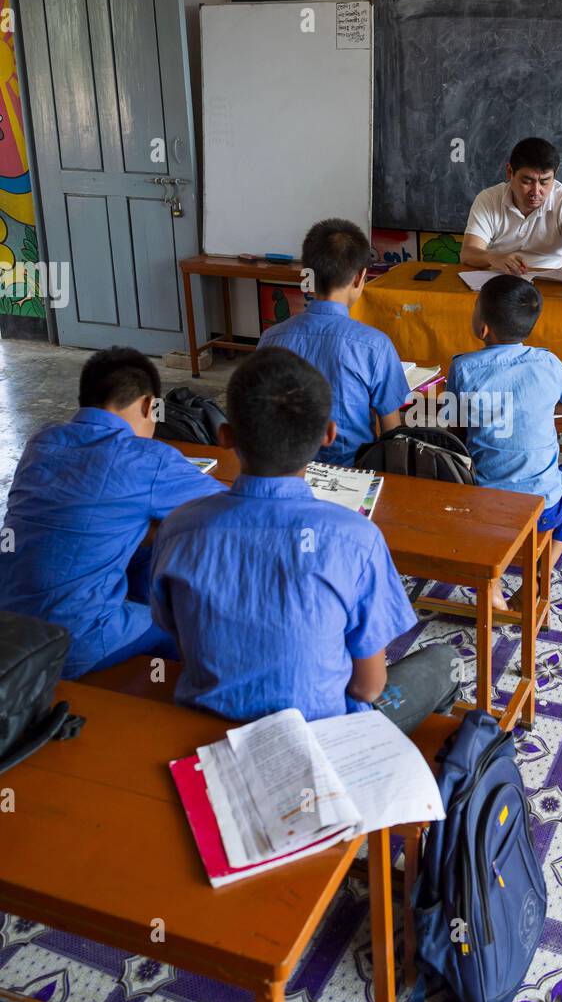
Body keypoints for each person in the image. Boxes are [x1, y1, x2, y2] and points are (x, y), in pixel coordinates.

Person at [149, 347, 457, 733]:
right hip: (321, 739)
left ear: (224, 436)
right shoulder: (357, 540)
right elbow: (367, 687)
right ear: (329, 434)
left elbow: (175, 634)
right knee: (445, 659)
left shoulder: (179, 527)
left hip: (208, 731)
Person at [0, 347, 223, 677]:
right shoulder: (146, 458)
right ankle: (165, 706)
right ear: (149, 406)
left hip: (11, 625)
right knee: (181, 622)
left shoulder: (41, 443)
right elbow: (230, 507)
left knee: (144, 552)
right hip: (68, 640)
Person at [445, 276, 562, 609]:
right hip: (541, 511)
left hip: (482, 510)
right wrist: (542, 403)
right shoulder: (547, 362)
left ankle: (493, 585)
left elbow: (455, 429)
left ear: (483, 328)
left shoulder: (463, 368)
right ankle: (540, 576)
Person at [258, 218, 409, 466]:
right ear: (360, 278)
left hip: (286, 468)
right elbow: (393, 435)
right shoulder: (375, 346)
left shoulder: (270, 338)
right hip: (353, 474)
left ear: (308, 274)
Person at [461, 137, 562, 284]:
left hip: (553, 284)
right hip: (502, 282)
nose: (536, 191)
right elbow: (468, 253)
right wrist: (492, 257)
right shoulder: (489, 199)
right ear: (510, 171)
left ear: (555, 173)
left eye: (544, 182)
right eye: (526, 181)